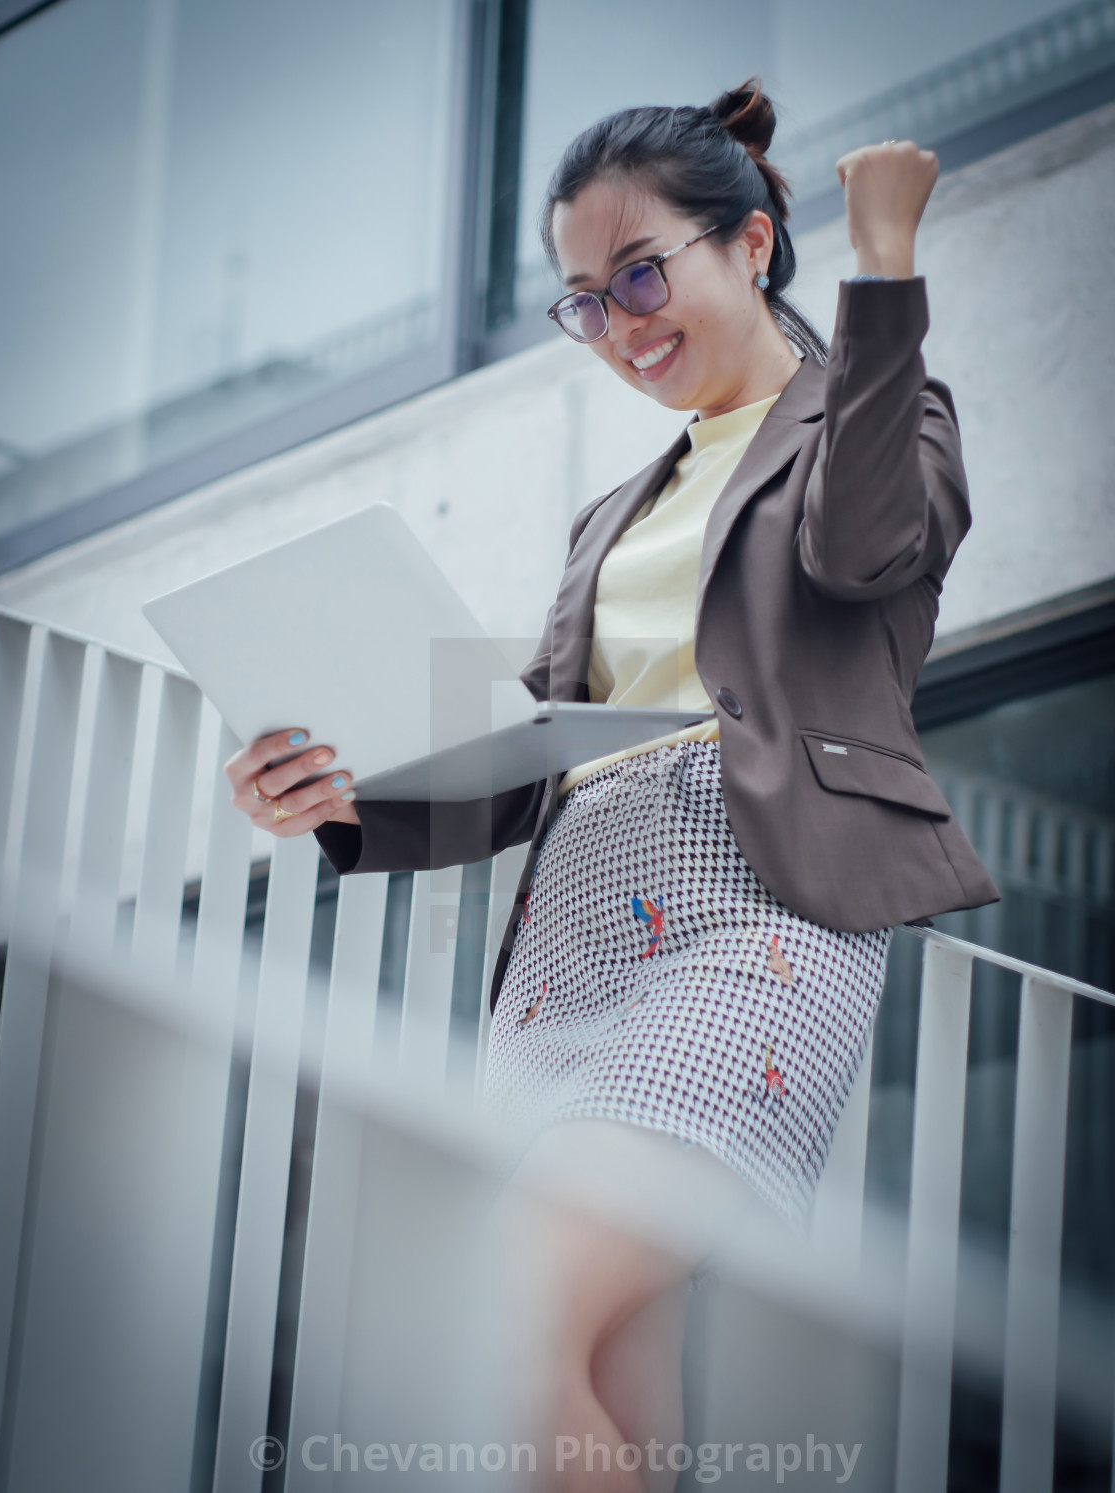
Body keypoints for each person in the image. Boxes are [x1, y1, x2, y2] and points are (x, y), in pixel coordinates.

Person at [225, 80, 999, 1490]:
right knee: (606, 1374)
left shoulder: (885, 416)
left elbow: (866, 547)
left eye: (642, 274)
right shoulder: (615, 513)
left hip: (759, 906)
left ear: (753, 244)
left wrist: (889, 270)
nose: (622, 326)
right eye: (586, 302)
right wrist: (334, 792)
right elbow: (533, 757)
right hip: (571, 935)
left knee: (514, 1320)